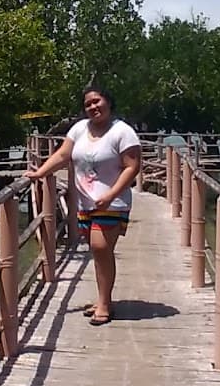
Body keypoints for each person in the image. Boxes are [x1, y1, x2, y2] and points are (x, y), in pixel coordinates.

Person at [26, 86, 141, 325]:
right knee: (98, 252)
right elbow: (62, 155)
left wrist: (110, 195)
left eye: (97, 101)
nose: (93, 107)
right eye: (88, 104)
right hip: (86, 201)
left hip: (113, 201)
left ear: (108, 102)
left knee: (100, 248)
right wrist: (40, 173)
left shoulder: (123, 132)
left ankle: (105, 306)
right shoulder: (79, 129)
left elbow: (132, 167)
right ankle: (102, 299)